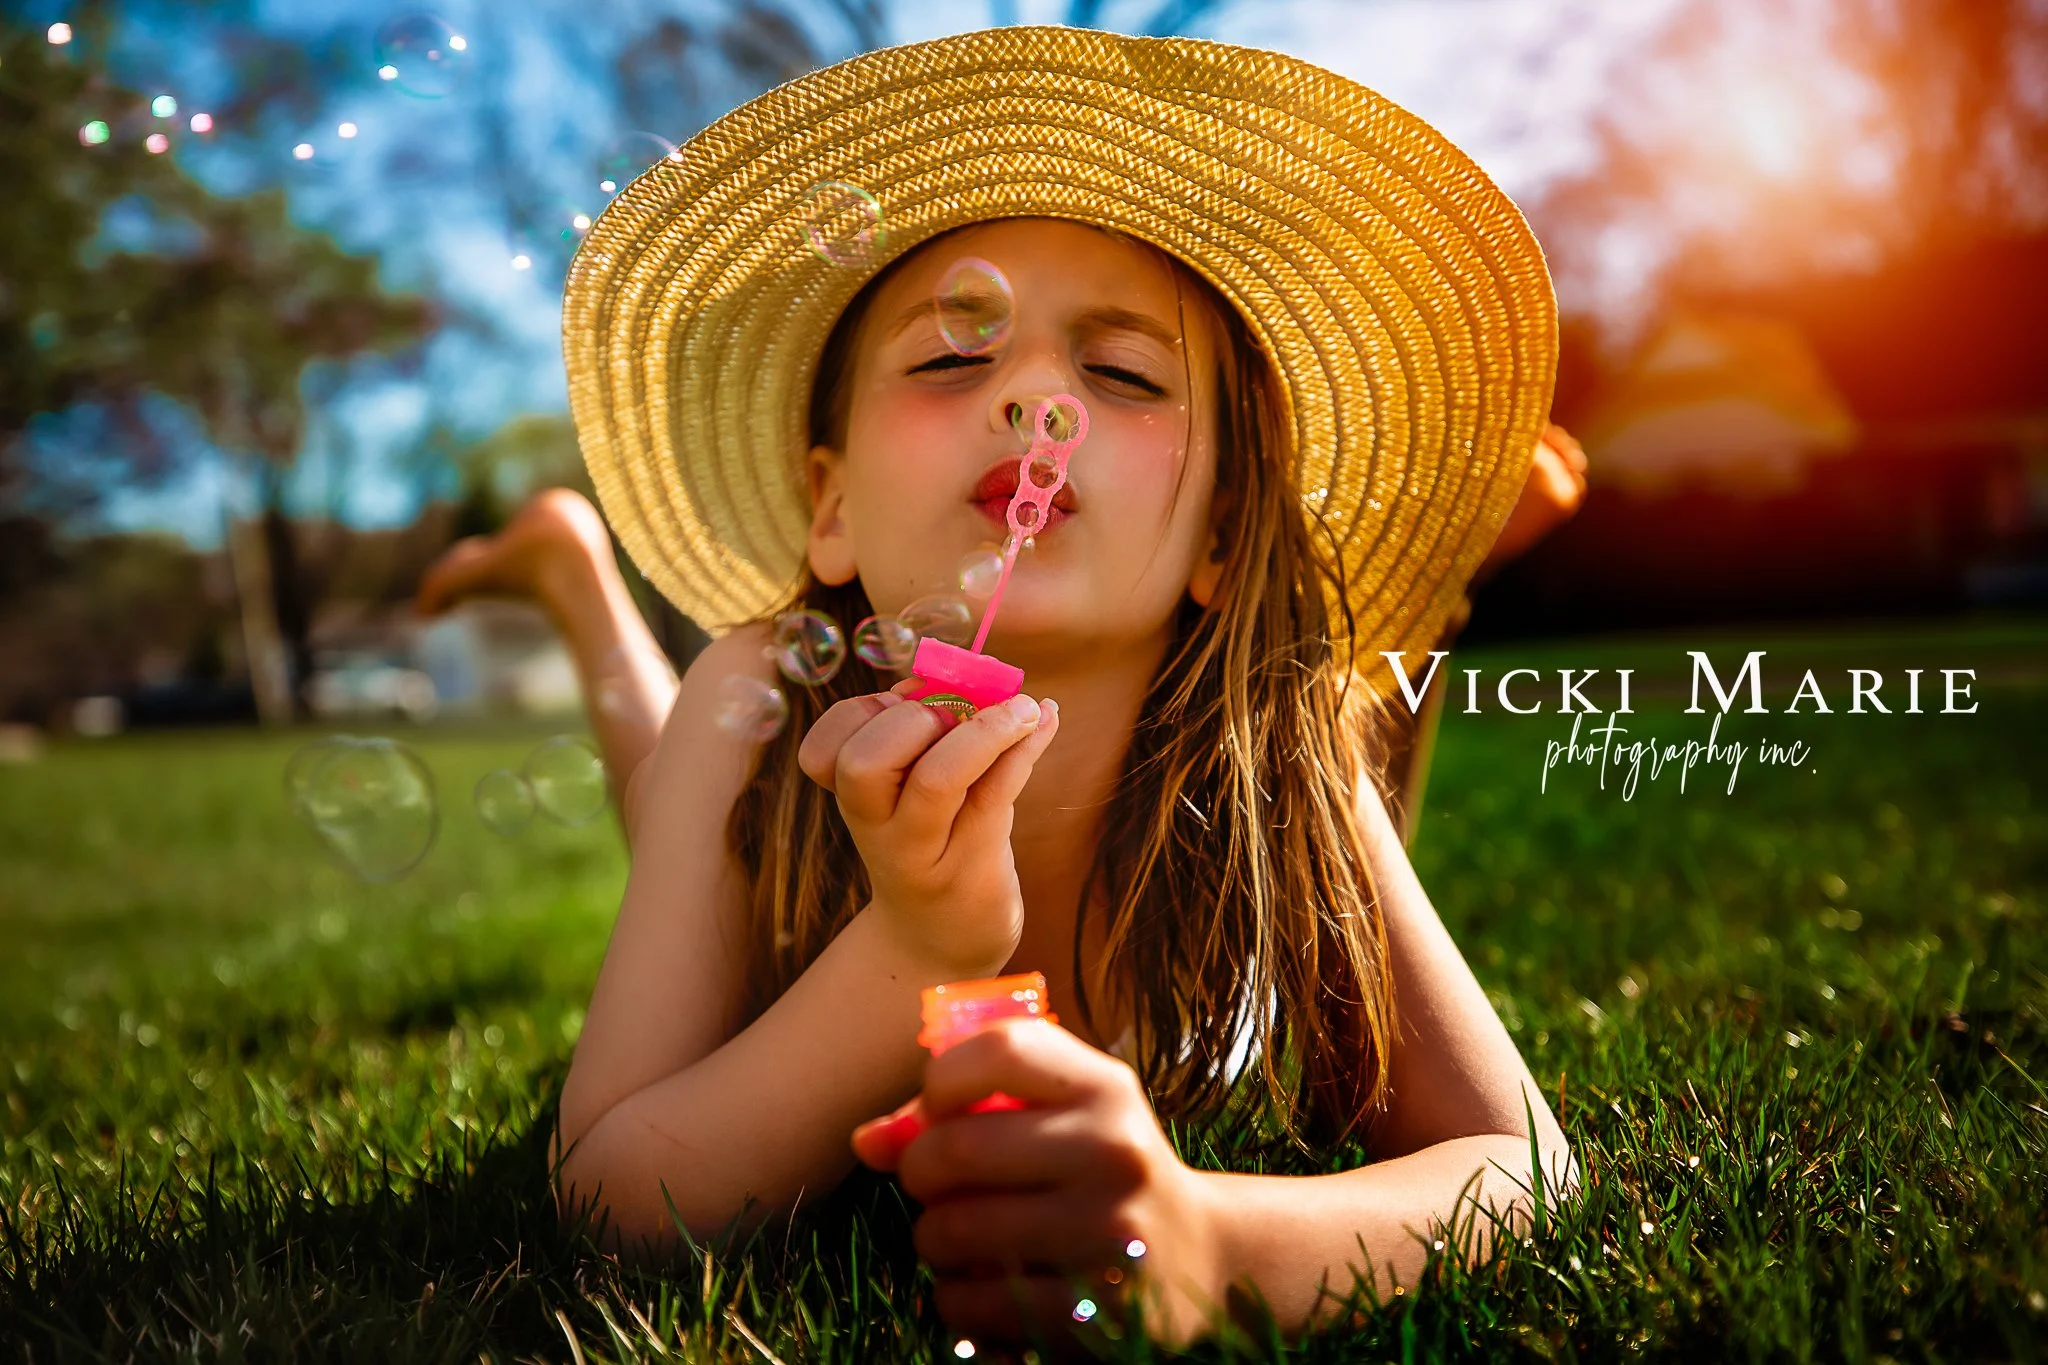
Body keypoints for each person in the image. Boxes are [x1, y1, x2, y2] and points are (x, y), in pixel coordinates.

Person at [421, 27, 1588, 1354]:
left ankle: (1428, 613)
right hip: (754, 778)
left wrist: (1213, 1243)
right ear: (830, 510)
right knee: (672, 784)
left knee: (1336, 703)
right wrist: (915, 948)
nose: (1038, 397)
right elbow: (610, 1204)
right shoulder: (757, 697)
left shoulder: (1275, 746)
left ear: (1219, 532)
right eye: (950, 359)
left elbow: (1524, 1166)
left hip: (1258, 685)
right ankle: (579, 578)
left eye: (1124, 375)